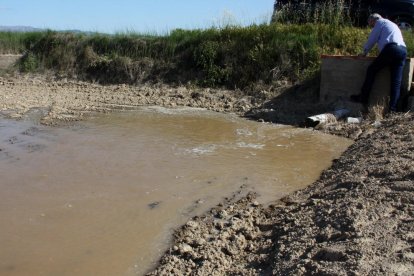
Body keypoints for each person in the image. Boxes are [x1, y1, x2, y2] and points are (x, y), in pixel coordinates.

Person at [350, 13, 407, 112]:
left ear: (373, 20)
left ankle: (363, 97)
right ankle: (393, 109)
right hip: (402, 51)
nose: (371, 26)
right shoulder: (392, 24)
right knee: (396, 82)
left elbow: (372, 39)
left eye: (370, 24)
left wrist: (364, 52)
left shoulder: (380, 23)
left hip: (391, 49)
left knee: (371, 70)